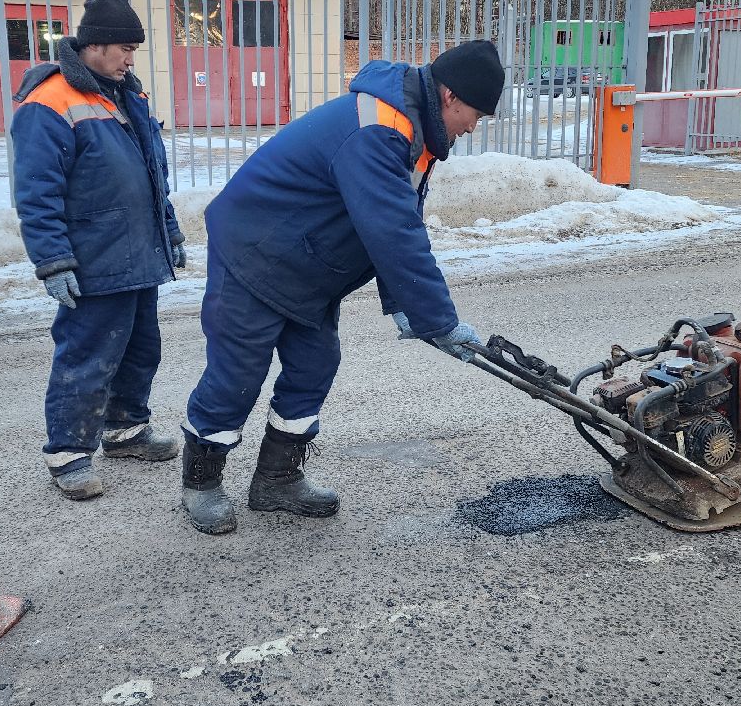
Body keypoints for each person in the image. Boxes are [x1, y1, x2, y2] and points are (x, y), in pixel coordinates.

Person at [179, 39, 505, 534]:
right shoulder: (379, 127)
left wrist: (402, 303)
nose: (472, 127)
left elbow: (398, 217)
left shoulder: (411, 126)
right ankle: (201, 482)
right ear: (450, 96)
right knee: (237, 374)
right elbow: (391, 231)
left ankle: (276, 479)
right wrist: (437, 320)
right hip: (256, 253)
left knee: (314, 365)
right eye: (475, 114)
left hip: (304, 261)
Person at [10, 0, 186, 500]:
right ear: (95, 45)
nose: (131, 60)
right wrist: (52, 260)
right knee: (86, 354)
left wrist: (168, 228)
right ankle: (67, 453)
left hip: (138, 250)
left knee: (140, 348)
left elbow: (154, 174)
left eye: (134, 51)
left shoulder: (128, 93)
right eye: (124, 49)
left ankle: (125, 430)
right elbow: (37, 190)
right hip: (92, 257)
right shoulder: (50, 101)